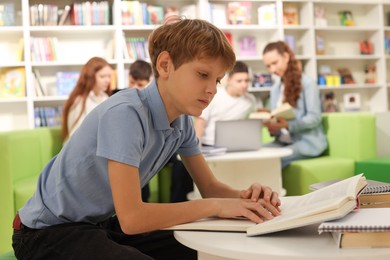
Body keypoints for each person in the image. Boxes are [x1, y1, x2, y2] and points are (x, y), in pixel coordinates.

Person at [12, 17, 281, 260]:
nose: (211, 89)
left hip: (99, 224)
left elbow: (210, 186)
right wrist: (214, 206)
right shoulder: (125, 114)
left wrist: (248, 199)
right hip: (45, 232)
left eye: (218, 80)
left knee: (202, 247)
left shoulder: (183, 121)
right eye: (202, 74)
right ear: (165, 65)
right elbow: (132, 218)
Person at [169, 61, 261, 202]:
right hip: (208, 145)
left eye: (247, 80)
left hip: (234, 147)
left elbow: (251, 123)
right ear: (229, 80)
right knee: (182, 169)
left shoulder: (250, 101)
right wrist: (196, 145)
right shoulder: (215, 96)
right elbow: (200, 121)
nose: (244, 84)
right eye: (239, 80)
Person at [261, 40, 327, 168]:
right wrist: (273, 126)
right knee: (256, 155)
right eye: (268, 66)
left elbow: (314, 118)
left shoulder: (307, 83)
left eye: (275, 63)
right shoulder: (275, 89)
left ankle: (273, 189)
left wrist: (288, 125)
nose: (272, 69)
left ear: (286, 57)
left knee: (271, 160)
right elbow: (276, 117)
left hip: (307, 143)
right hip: (283, 141)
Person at [62, 56, 113, 141]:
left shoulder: (105, 98)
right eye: (103, 76)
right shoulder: (79, 101)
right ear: (91, 77)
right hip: (80, 151)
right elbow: (75, 137)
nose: (107, 80)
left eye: (109, 76)